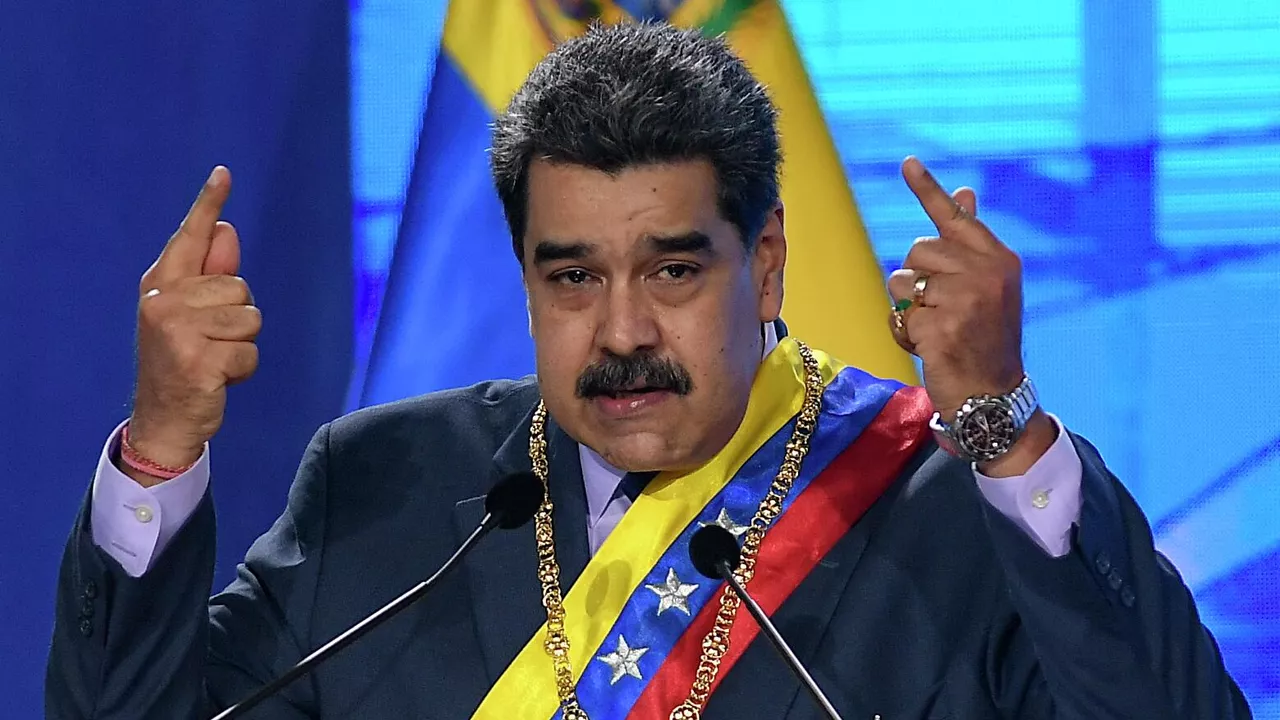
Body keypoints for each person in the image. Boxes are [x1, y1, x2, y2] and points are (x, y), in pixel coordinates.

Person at [46, 21, 1249, 720]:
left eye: (672, 270)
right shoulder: (380, 489)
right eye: (572, 277)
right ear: (524, 280)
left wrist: (1004, 427)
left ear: (763, 266)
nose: (620, 331)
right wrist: (160, 444)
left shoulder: (942, 514)